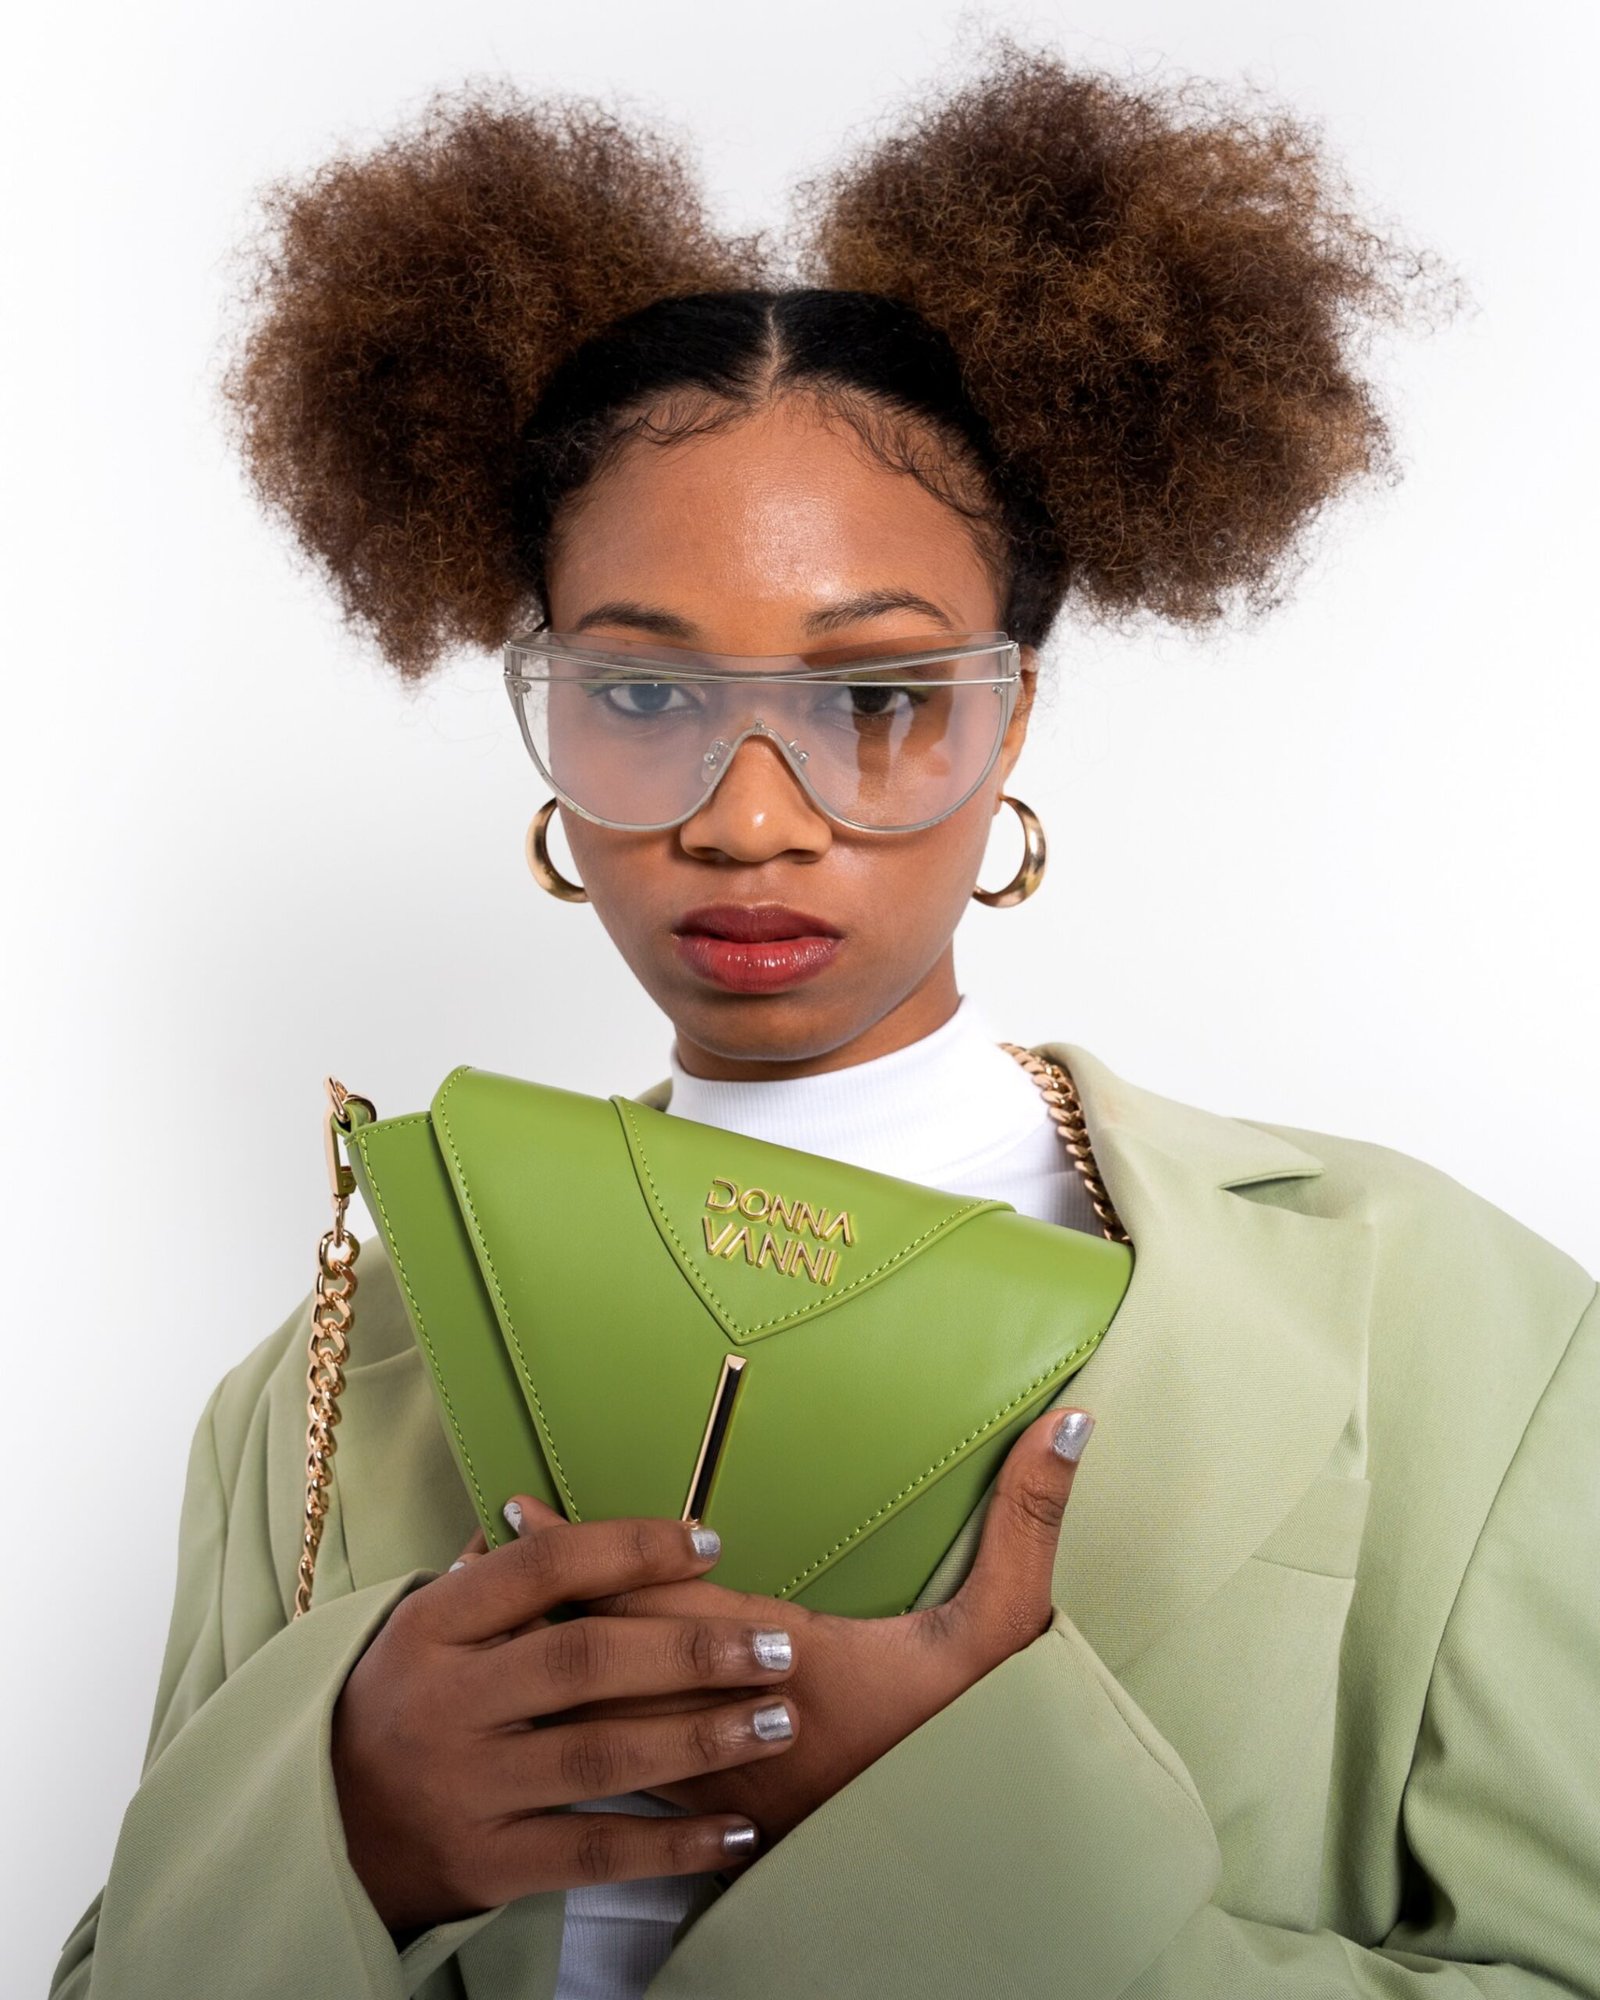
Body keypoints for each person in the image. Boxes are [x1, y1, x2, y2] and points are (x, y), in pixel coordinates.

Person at [50, 44, 1600, 2000]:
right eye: (642, 695)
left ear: (1007, 719)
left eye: (875, 699)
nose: (749, 817)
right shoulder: (327, 1382)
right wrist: (341, 1835)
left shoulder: (1449, 1324)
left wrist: (970, 1839)